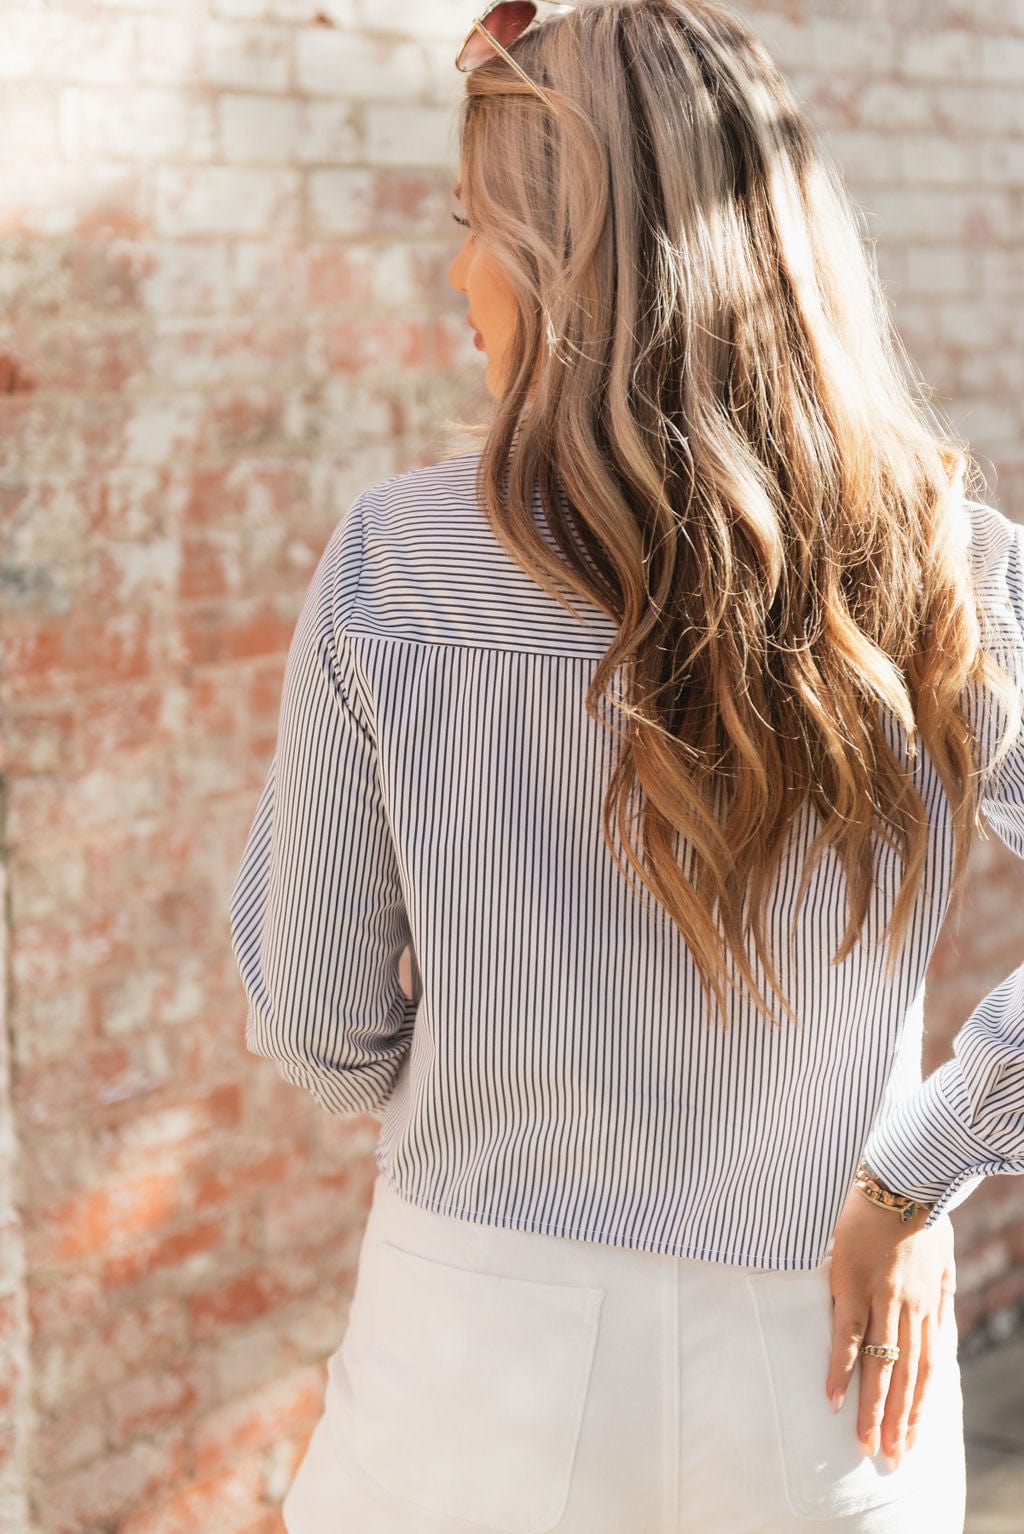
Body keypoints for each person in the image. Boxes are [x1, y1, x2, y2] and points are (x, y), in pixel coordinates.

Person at [227, 2, 1024, 1529]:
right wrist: (917, 1169)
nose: (458, 274)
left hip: (469, 1360)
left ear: (560, 258)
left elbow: (322, 1029)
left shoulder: (394, 561)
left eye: (473, 228)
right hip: (829, 1365)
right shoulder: (950, 564)